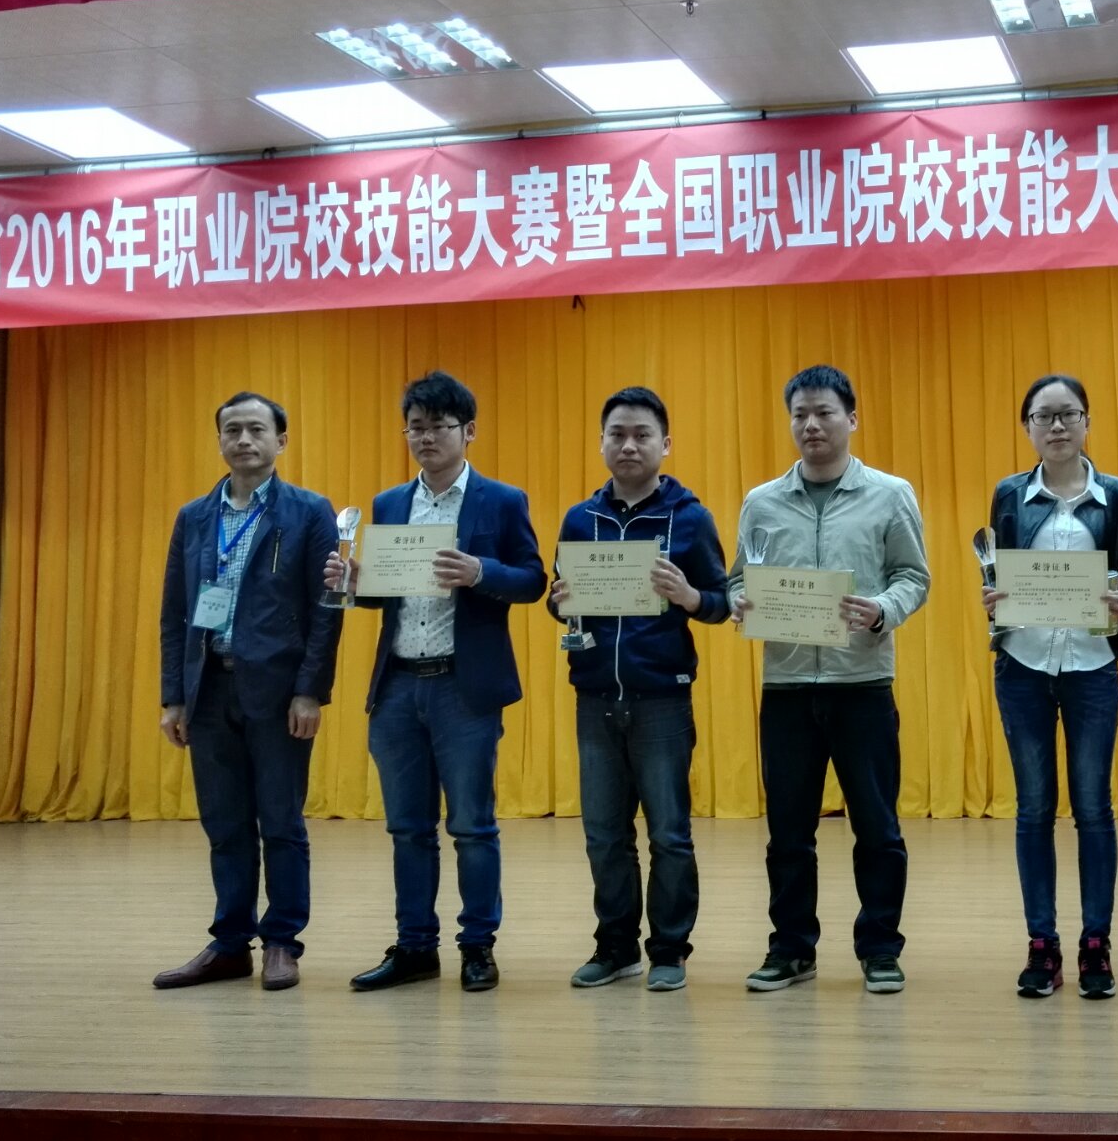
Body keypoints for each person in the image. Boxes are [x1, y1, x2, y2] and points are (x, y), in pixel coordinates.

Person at [325, 371, 545, 993]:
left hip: (462, 687)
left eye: (438, 426)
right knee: (407, 829)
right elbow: (388, 592)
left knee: (472, 827)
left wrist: (481, 571)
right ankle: (415, 947)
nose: (424, 438)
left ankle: (477, 946)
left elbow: (532, 579)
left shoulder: (502, 500)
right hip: (397, 685)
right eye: (414, 428)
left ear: (468, 431)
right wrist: (355, 583)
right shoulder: (390, 503)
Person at [730, 364, 930, 994]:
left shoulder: (890, 494)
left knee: (878, 828)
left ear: (852, 418)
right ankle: (792, 949)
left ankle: (880, 948)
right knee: (788, 832)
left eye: (824, 413)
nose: (811, 425)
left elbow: (913, 577)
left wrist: (883, 609)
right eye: (800, 415)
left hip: (862, 684)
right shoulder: (762, 501)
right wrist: (739, 602)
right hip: (787, 689)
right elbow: (739, 579)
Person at [154, 392, 342, 992]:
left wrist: (310, 690)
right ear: (218, 440)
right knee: (225, 825)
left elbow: (326, 608)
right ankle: (231, 943)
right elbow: (174, 612)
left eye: (256, 429)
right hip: (209, 689)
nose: (243, 440)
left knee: (281, 822)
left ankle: (282, 940)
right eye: (232, 430)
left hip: (280, 693)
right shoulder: (194, 516)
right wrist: (174, 696)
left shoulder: (308, 512)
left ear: (280, 441)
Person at [549, 387, 730, 993]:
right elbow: (560, 601)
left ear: (665, 444)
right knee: (604, 835)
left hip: (662, 699)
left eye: (642, 435)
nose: (628, 445)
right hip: (595, 696)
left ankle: (670, 949)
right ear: (602, 442)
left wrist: (689, 596)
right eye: (617, 434)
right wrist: (559, 602)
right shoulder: (580, 519)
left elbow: (723, 601)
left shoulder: (690, 518)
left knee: (669, 835)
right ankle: (616, 946)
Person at [981, 373, 1118, 1000]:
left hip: (1092, 667)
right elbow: (998, 574)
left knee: (1094, 809)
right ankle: (1042, 944)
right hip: (1022, 666)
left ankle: (1096, 944)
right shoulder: (1008, 495)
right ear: (1027, 427)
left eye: (1068, 414)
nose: (1056, 426)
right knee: (1032, 809)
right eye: (1043, 416)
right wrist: (993, 597)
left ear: (1087, 422)